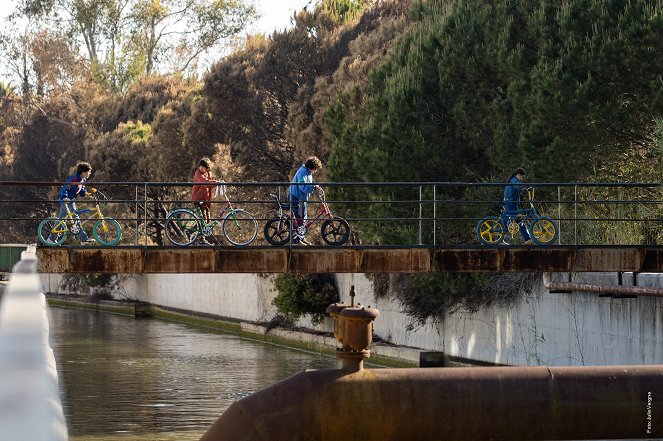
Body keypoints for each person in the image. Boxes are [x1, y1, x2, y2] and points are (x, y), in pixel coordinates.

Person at [55, 162, 94, 244]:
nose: (90, 173)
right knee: (75, 217)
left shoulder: (82, 180)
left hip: (70, 200)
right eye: (89, 171)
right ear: (83, 172)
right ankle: (83, 239)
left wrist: (86, 194)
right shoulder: (75, 179)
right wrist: (65, 197)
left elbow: (79, 190)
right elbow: (65, 188)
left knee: (61, 219)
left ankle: (51, 239)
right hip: (66, 200)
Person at [288, 156, 322, 245]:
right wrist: (314, 187)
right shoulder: (303, 172)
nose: (316, 171)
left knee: (303, 218)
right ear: (312, 167)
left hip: (301, 198)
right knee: (298, 218)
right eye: (315, 169)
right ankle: (296, 239)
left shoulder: (307, 172)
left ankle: (301, 238)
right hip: (296, 196)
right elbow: (303, 187)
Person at [501, 167, 531, 244]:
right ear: (518, 175)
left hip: (511, 203)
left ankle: (527, 239)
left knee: (514, 220)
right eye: (522, 176)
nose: (522, 178)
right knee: (516, 219)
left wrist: (525, 190)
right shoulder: (514, 180)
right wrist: (527, 185)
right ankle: (527, 238)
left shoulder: (513, 181)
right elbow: (517, 186)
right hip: (510, 203)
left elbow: (518, 189)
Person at [192, 158, 218, 222]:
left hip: (206, 198)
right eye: (200, 166)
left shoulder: (209, 173)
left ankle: (200, 229)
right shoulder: (198, 173)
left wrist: (217, 184)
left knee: (208, 219)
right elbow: (204, 182)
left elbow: (209, 185)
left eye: (203, 166)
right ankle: (193, 231)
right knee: (204, 219)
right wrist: (216, 182)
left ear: (207, 168)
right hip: (198, 198)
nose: (201, 168)